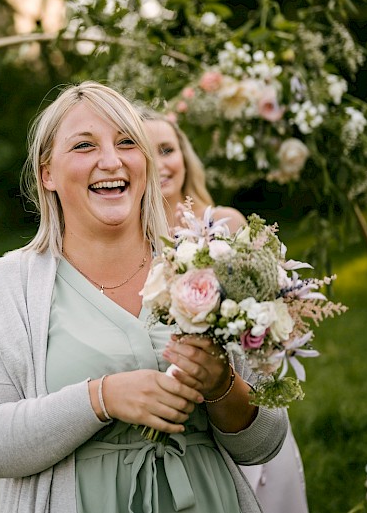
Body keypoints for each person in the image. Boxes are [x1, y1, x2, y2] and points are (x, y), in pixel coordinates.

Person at [0, 81, 287, 513]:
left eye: (127, 143)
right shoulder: (4, 289)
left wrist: (222, 386)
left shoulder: (207, 266)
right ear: (46, 173)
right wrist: (101, 398)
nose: (111, 161)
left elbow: (266, 442)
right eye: (84, 146)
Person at [140, 107, 309, 513]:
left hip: (237, 403)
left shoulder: (223, 225)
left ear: (184, 155)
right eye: (148, 153)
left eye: (168, 149)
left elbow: (270, 319)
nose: (161, 164)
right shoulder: (128, 242)